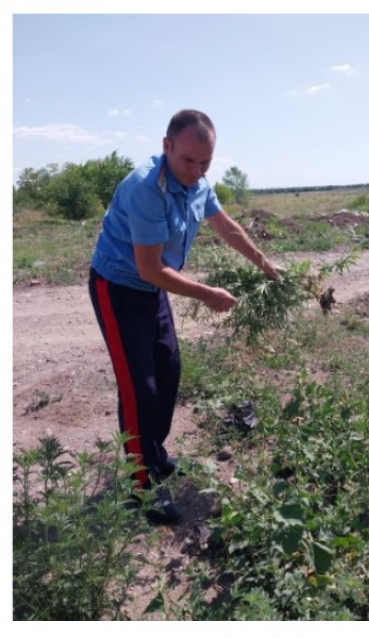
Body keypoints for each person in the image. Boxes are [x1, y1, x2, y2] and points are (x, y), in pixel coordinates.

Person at [89, 109, 279, 524]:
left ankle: (154, 453)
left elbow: (225, 226)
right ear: (167, 146)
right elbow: (149, 268)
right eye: (188, 161)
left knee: (169, 370)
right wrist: (208, 294)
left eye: (205, 162)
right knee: (140, 387)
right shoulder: (145, 188)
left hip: (152, 288)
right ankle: (142, 487)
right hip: (118, 289)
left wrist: (265, 264)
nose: (196, 171)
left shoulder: (199, 183)